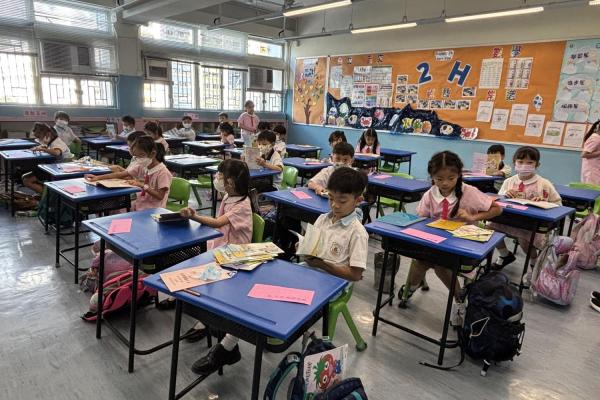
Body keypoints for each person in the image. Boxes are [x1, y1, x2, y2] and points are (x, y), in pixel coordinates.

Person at [403, 151, 502, 326]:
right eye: (439, 179)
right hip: (435, 244)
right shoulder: (430, 194)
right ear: (432, 177)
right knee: (419, 262)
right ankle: (410, 288)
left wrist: (473, 217)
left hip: (461, 246)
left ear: (458, 175)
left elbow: (497, 209)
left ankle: (459, 300)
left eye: (451, 178)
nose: (445, 183)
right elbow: (420, 219)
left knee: (442, 267)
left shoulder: (469, 192)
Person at [179, 159, 254, 366]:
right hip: (221, 248)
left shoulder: (242, 204)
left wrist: (194, 216)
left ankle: (213, 324)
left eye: (220, 176)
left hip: (236, 255)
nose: (216, 179)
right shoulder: (229, 197)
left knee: (204, 276)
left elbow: (218, 222)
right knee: (193, 264)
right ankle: (207, 319)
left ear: (230, 182)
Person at [488, 146, 561, 274]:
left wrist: (544, 202)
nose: (524, 166)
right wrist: (505, 194)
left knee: (525, 240)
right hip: (508, 219)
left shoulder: (544, 184)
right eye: (520, 162)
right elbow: (498, 200)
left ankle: (534, 263)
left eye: (530, 162)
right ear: (514, 162)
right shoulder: (509, 182)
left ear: (537, 165)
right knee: (489, 228)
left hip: (530, 224)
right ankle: (505, 255)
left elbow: (558, 204)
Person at [303, 166, 369, 282]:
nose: (335, 205)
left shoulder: (358, 232)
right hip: (312, 274)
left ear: (358, 201)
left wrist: (322, 265)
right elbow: (312, 249)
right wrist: (304, 248)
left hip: (333, 283)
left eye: (342, 201)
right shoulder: (322, 219)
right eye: (331, 198)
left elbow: (355, 275)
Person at [86, 136, 171, 210]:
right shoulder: (142, 166)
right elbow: (120, 174)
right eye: (136, 157)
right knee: (114, 209)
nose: (138, 159)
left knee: (119, 210)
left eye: (141, 155)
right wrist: (97, 177)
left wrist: (142, 185)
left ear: (153, 154)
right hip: (140, 205)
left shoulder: (163, 173)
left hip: (154, 210)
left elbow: (160, 196)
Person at [22, 123, 73, 194]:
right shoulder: (50, 142)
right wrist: (40, 147)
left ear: (48, 134)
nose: (39, 139)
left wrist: (43, 149)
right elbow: (46, 147)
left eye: (39, 137)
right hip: (53, 167)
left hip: (61, 169)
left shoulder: (57, 142)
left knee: (27, 180)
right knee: (24, 176)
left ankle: (47, 197)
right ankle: (44, 194)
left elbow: (56, 152)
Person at [581, 120, 600, 185]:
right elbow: (584, 154)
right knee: (592, 190)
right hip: (591, 172)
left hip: (595, 169)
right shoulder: (596, 138)